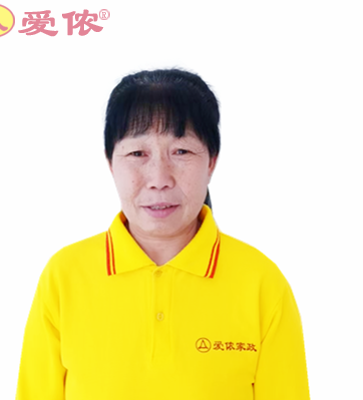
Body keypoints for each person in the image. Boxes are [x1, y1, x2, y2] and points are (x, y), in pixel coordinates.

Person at [15, 68, 310, 400]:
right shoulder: (65, 276)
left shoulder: (261, 282)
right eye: (137, 153)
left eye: (181, 151)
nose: (159, 179)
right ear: (110, 162)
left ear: (211, 162)